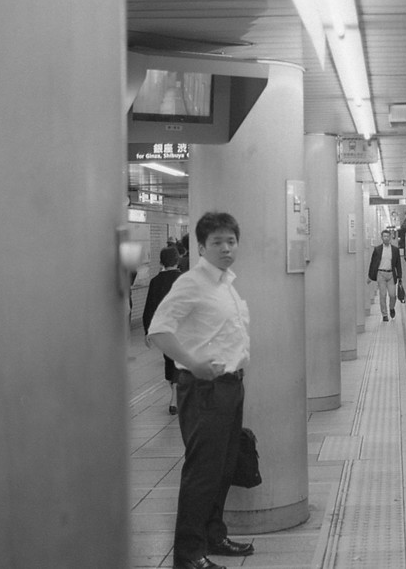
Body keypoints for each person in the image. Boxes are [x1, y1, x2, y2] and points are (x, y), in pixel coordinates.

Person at [147, 212, 254, 569]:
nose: (226, 248)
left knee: (223, 468)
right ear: (202, 246)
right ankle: (188, 555)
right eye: (217, 242)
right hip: (204, 390)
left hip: (229, 387)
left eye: (231, 241)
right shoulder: (191, 283)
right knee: (203, 472)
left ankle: (213, 535)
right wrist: (192, 363)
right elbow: (159, 331)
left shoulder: (226, 283)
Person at [143, 245, 183, 415]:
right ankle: (176, 396)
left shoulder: (155, 282)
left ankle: (174, 396)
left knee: (169, 360)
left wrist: (147, 331)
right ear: (177, 260)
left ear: (161, 262)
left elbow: (149, 308)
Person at [368, 229, 402, 321]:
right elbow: (373, 263)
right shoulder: (377, 249)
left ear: (390, 238)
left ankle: (391, 308)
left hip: (391, 274)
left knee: (392, 295)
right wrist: (370, 276)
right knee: (382, 295)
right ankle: (384, 315)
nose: (386, 238)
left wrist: (400, 276)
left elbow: (398, 264)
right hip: (381, 274)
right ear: (382, 238)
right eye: (384, 236)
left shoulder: (395, 250)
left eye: (388, 236)